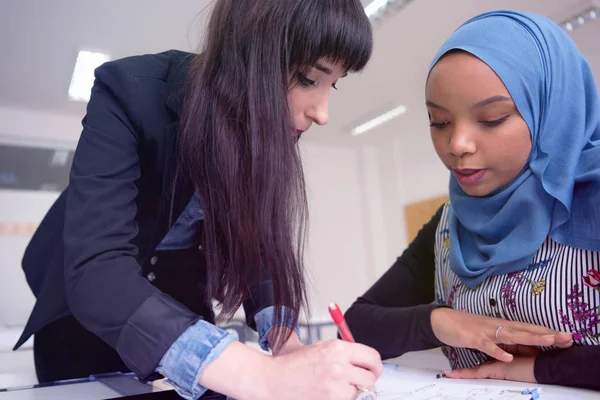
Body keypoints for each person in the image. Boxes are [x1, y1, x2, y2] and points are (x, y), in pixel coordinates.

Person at [14, 1, 383, 399]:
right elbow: (98, 269)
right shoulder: (130, 90)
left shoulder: (268, 133)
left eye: (334, 83)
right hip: (86, 314)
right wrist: (261, 376)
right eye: (308, 78)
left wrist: (284, 343)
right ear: (244, 51)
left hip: (179, 303)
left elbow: (261, 246)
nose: (322, 113)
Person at [345, 10, 600, 391]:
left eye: (493, 118)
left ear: (549, 111)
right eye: (440, 122)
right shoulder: (451, 224)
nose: (457, 145)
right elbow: (356, 326)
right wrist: (440, 321)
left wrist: (536, 370)